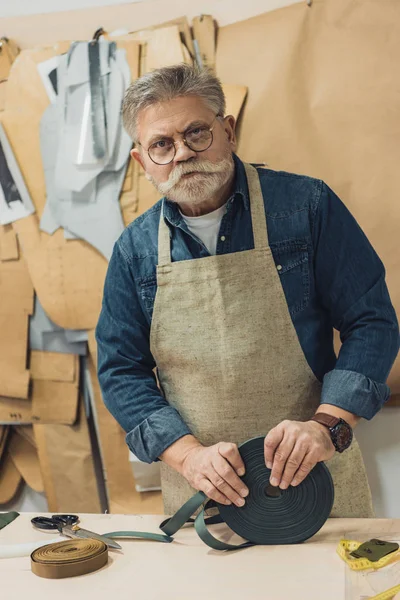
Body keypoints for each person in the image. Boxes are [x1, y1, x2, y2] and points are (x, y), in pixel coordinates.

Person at [96, 64, 399, 516]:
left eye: (196, 132)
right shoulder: (133, 251)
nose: (182, 153)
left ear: (228, 130)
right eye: (162, 144)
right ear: (143, 162)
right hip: (203, 492)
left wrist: (326, 426)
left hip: (316, 476)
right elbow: (121, 369)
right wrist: (187, 456)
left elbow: (371, 321)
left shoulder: (306, 208)